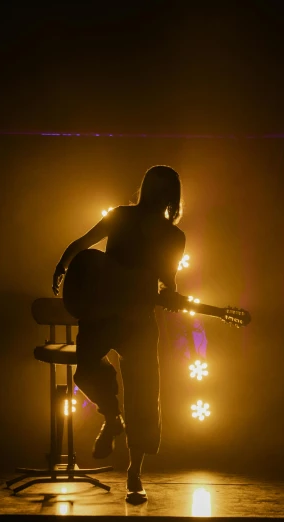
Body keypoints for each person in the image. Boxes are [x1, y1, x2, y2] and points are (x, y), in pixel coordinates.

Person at [51, 165, 186, 502]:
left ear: (170, 196)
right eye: (151, 186)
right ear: (144, 188)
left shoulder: (173, 236)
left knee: (143, 394)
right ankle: (112, 418)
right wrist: (63, 264)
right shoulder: (121, 216)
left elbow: (167, 280)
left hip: (138, 319)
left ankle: (134, 473)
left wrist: (171, 295)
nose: (154, 194)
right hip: (101, 314)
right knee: (85, 372)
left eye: (161, 189)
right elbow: (84, 243)